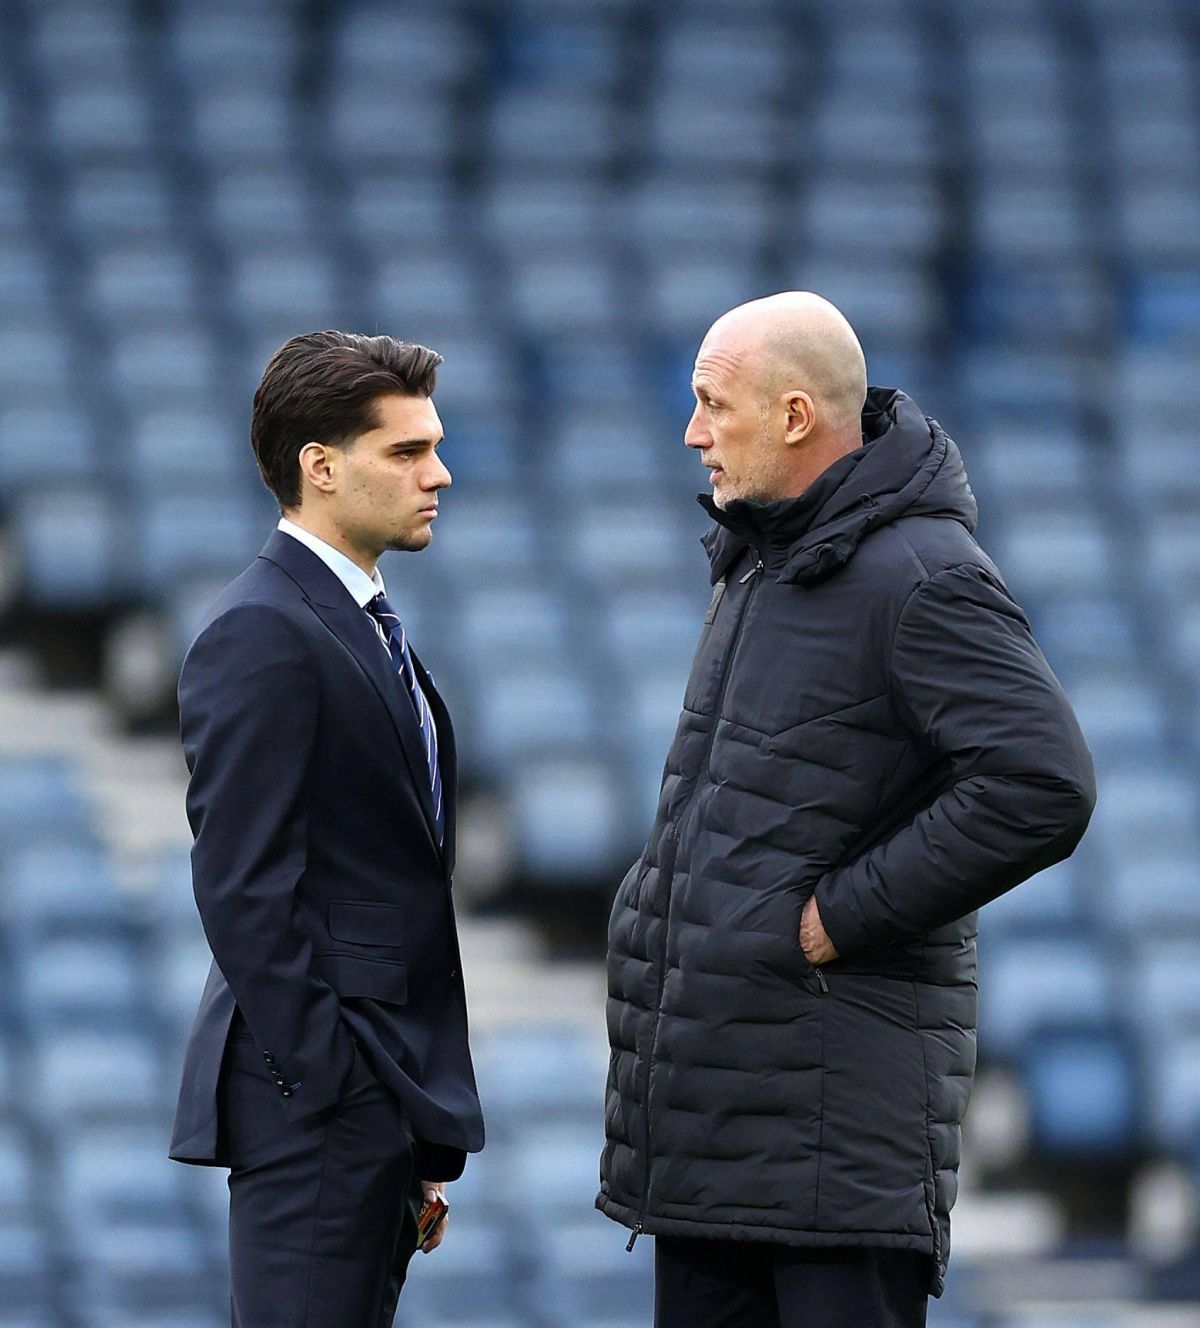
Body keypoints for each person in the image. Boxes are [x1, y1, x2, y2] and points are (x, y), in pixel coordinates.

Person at [598, 293, 1095, 1328]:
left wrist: (841, 915)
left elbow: (1041, 781)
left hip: (833, 1160)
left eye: (711, 404)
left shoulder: (922, 572)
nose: (691, 431)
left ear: (792, 415)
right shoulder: (763, 563)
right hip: (715, 1144)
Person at [168, 331, 484, 1326]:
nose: (438, 473)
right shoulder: (261, 629)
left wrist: (409, 1127)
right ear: (321, 466)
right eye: (405, 451)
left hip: (374, 1108)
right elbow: (242, 888)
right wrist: (341, 1093)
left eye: (432, 445)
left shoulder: (359, 621)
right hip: (319, 1107)